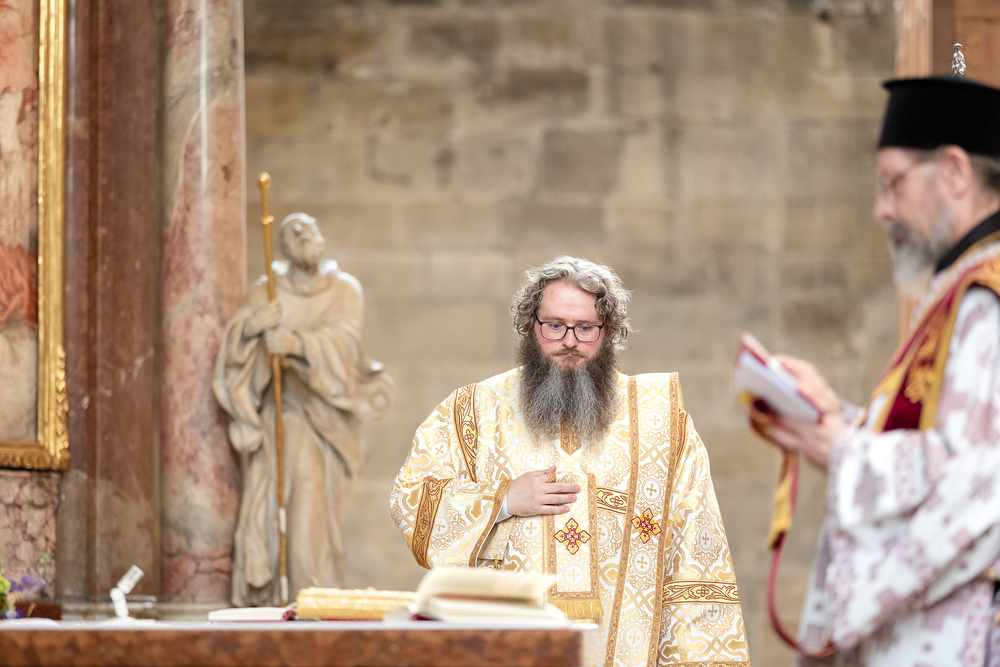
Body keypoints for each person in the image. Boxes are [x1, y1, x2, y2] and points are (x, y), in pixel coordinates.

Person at [747, 76, 1000, 666]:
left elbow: (982, 485)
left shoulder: (988, 299)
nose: (881, 209)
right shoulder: (958, 287)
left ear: (955, 172)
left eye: (892, 182)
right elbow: (942, 443)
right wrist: (833, 417)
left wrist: (840, 448)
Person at [390, 256, 750, 667]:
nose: (569, 341)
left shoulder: (662, 423)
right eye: (555, 325)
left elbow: (697, 551)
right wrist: (502, 500)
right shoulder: (474, 410)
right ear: (531, 326)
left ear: (608, 331)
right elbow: (411, 499)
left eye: (585, 327)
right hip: (506, 647)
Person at [214, 212, 395, 606]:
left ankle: (313, 598)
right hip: (283, 413)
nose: (305, 236)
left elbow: (347, 344)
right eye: (294, 233)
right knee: (276, 511)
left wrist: (297, 345)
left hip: (327, 418)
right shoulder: (267, 290)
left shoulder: (344, 289)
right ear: (283, 248)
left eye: (310, 229)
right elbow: (235, 350)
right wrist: (252, 328)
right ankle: (294, 598)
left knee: (314, 514)